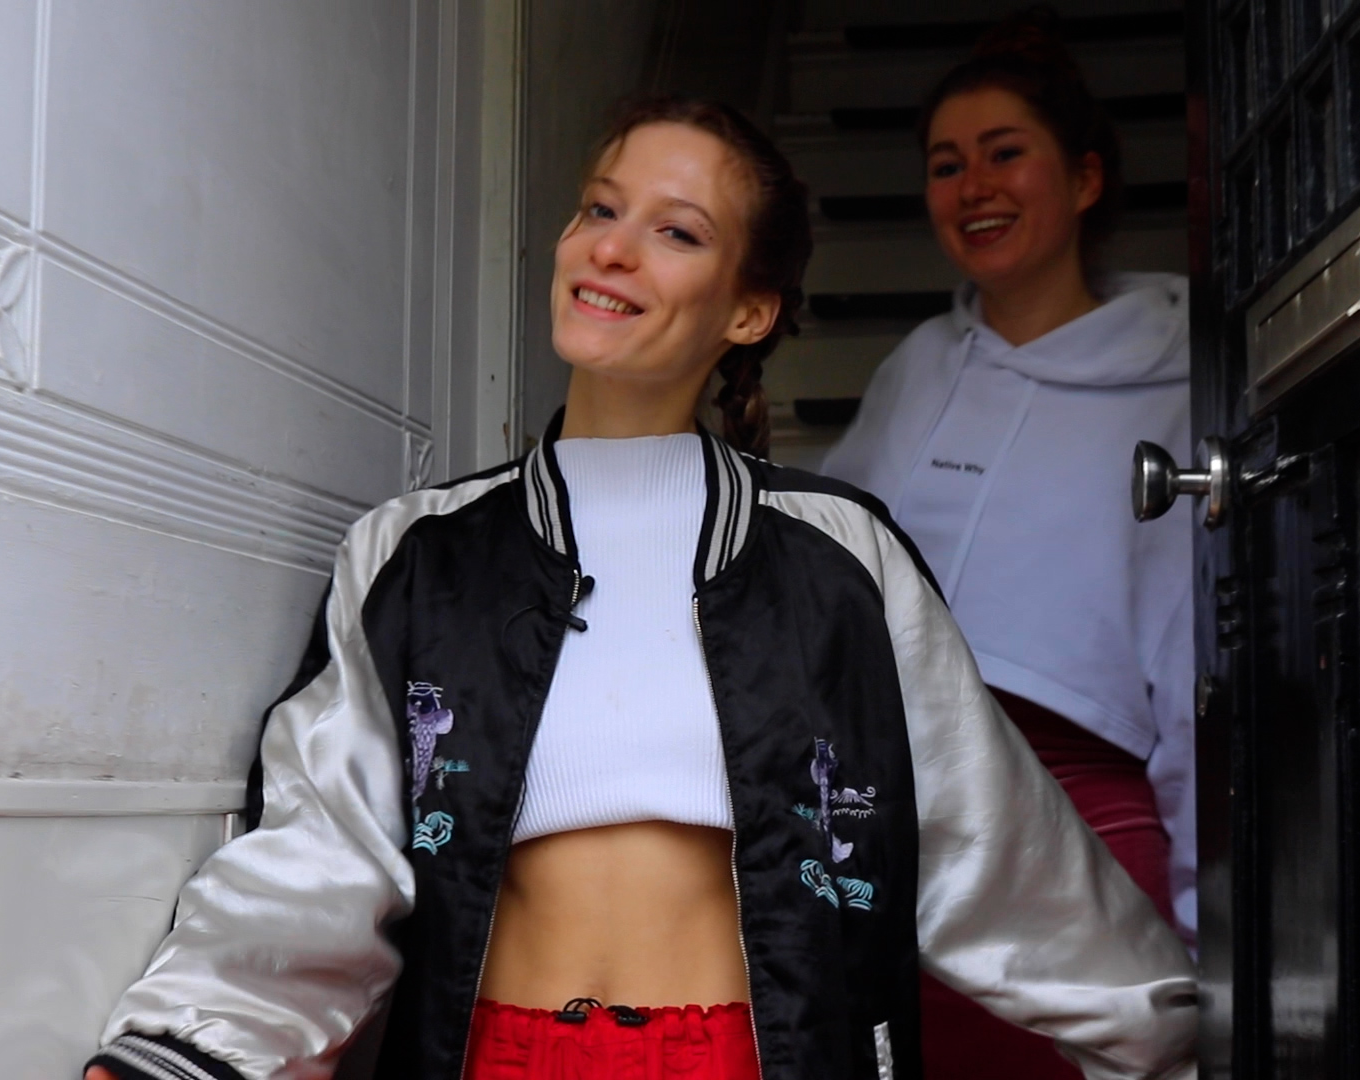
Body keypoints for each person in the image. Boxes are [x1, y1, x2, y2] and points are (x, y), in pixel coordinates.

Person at [81, 98, 1193, 1080]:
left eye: (677, 232)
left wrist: (1173, 1045)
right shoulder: (415, 552)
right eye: (600, 210)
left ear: (749, 310)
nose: (611, 250)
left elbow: (997, 853)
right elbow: (321, 852)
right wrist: (192, 1047)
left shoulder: (838, 558)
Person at [820, 14, 1196, 1080]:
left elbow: (1188, 659)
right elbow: (826, 573)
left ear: (1085, 178)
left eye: (1004, 153)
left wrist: (1204, 924)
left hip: (1080, 837)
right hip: (903, 828)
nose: (973, 186)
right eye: (947, 165)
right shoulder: (914, 369)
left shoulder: (1179, 379)